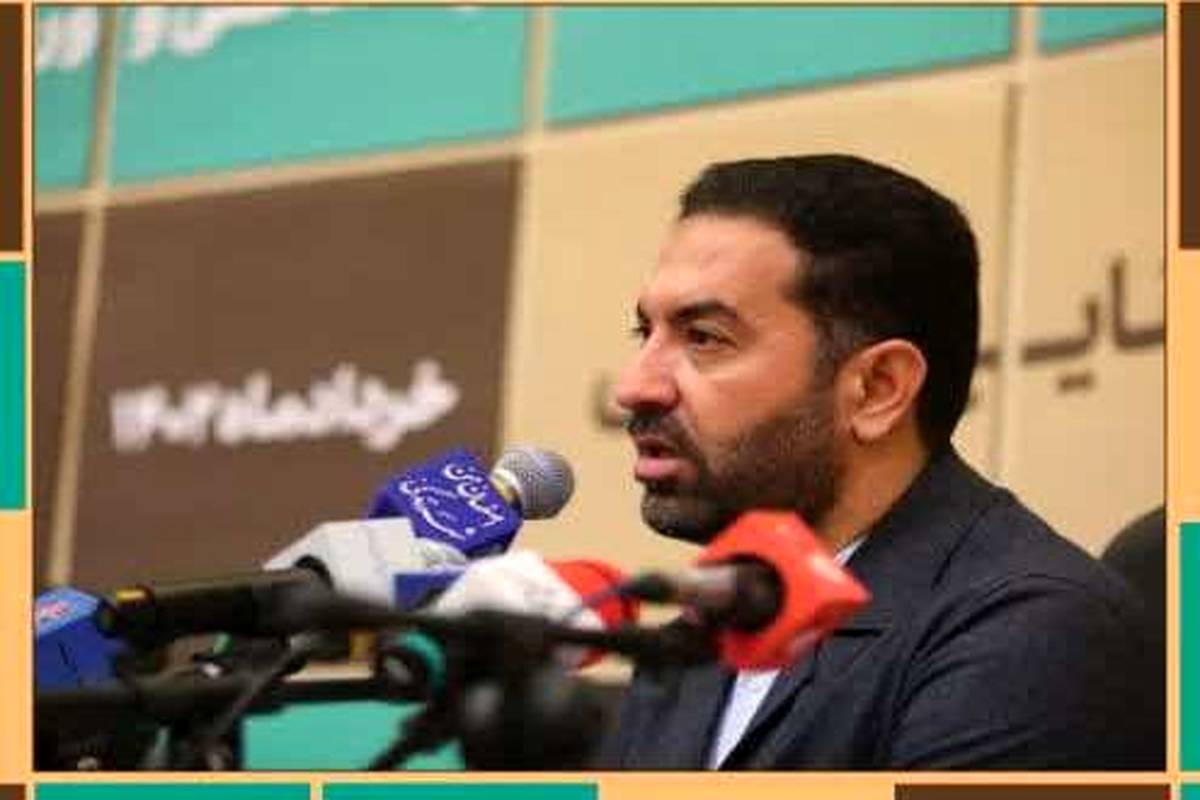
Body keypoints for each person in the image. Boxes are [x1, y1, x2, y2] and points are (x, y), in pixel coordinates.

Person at [596, 154, 1162, 769]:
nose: (634, 387)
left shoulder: (1033, 631)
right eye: (644, 334)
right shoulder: (703, 631)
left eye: (704, 337)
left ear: (877, 389)